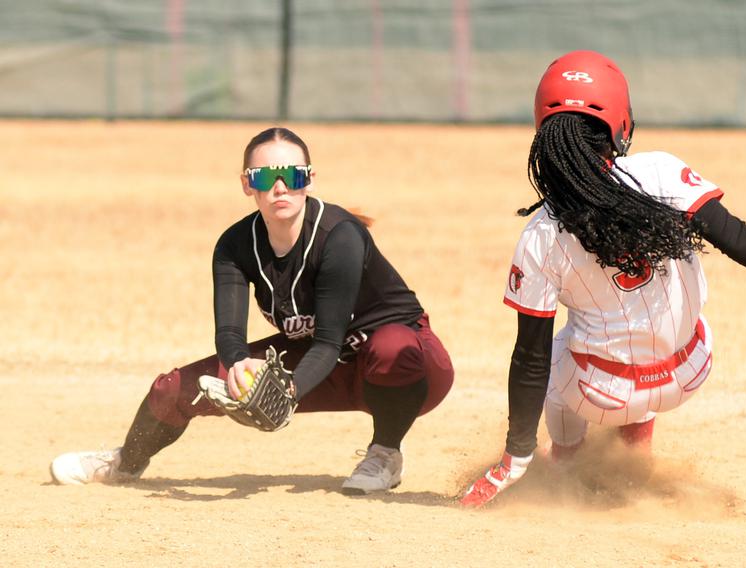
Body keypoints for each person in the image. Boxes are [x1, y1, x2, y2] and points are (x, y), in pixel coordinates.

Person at [460, 51, 746, 507]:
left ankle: (565, 463)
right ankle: (633, 452)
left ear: (543, 131)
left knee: (553, 351)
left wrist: (513, 457)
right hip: (692, 368)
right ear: (621, 124)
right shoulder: (659, 172)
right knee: (645, 329)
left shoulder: (540, 232)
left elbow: (528, 359)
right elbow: (739, 238)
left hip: (599, 393)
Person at [51, 126, 454, 495]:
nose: (280, 188)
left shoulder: (340, 236)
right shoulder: (234, 245)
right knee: (173, 389)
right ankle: (125, 462)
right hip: (321, 362)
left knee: (390, 347)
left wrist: (288, 393)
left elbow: (330, 340)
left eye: (293, 176)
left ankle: (385, 454)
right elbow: (230, 334)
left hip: (411, 368)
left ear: (309, 179)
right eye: (264, 177)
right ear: (247, 184)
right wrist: (238, 362)